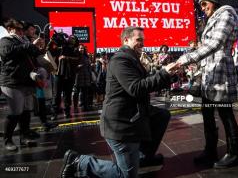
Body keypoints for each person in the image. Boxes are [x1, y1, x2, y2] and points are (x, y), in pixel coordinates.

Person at [60, 26, 177, 178]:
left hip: (132, 114)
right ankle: (79, 161)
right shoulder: (121, 59)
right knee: (126, 175)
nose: (142, 43)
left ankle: (143, 157)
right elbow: (136, 88)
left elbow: (146, 81)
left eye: (143, 40)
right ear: (126, 40)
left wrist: (170, 76)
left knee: (161, 115)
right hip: (120, 124)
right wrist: (164, 73)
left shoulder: (132, 57)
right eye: (139, 40)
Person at [176, 0, 238, 168]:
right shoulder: (213, 18)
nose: (202, 8)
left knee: (226, 114)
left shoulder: (227, 14)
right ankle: (210, 150)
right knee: (207, 114)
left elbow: (216, 43)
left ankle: (234, 153)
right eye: (200, 5)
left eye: (204, 3)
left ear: (214, 1)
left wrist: (185, 59)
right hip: (209, 74)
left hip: (221, 73)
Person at [0, 18, 43, 151]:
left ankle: (24, 137)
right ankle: (7, 140)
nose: (21, 32)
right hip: (11, 81)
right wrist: (28, 45)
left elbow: (35, 56)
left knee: (26, 110)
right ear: (10, 29)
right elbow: (6, 53)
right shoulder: (6, 40)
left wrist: (38, 47)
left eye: (21, 29)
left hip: (26, 81)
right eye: (17, 29)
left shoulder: (24, 41)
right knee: (16, 111)